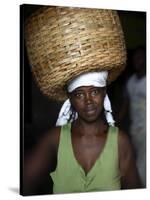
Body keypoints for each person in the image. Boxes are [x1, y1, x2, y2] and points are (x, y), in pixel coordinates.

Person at [23, 6, 142, 194]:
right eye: (79, 94)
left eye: (94, 92)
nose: (88, 101)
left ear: (104, 93)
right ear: (70, 98)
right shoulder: (55, 140)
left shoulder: (120, 142)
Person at [125, 47, 146, 187]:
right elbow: (126, 104)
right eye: (135, 58)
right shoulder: (131, 81)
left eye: (141, 57)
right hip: (135, 129)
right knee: (138, 158)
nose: (138, 61)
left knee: (144, 164)